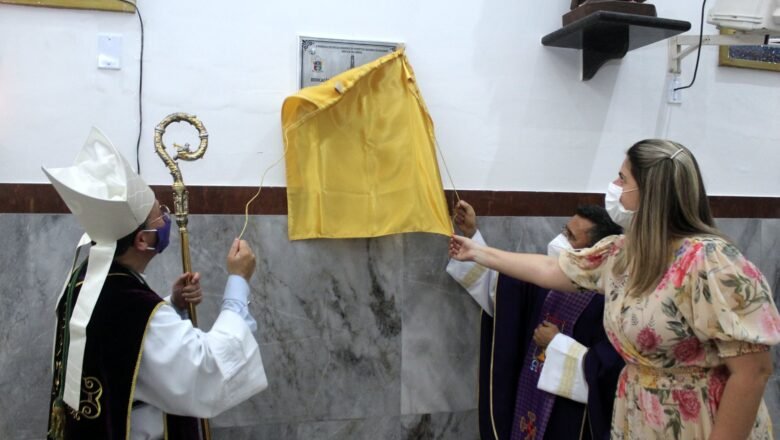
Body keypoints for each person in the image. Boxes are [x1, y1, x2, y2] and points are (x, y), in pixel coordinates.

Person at [450, 139, 780, 440]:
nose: (614, 187)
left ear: (651, 192)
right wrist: (477, 252)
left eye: (623, 179)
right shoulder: (622, 253)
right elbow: (555, 267)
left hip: (699, 423)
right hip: (637, 417)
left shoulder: (711, 262)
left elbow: (753, 372)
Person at [43, 128, 268, 439]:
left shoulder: (88, 279)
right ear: (142, 240)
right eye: (159, 216)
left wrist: (171, 305)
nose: (166, 219)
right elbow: (208, 371)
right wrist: (238, 281)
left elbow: (128, 345)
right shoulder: (131, 305)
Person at [447, 201, 624, 440]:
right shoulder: (549, 283)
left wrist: (558, 345)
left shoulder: (610, 303)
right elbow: (501, 291)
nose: (560, 240)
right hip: (529, 396)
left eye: (570, 237)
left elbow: (612, 368)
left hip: (569, 416)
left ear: (594, 254)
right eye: (564, 230)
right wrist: (471, 235)